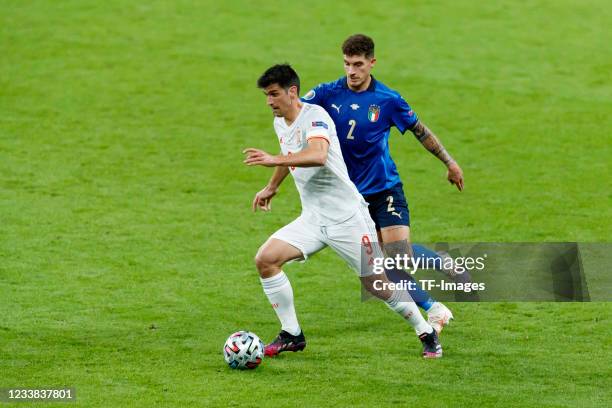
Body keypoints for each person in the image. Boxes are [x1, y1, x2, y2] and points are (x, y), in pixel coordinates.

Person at [244, 63, 443, 358]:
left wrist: (272, 160)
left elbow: (318, 154)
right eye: (266, 96)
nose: (269, 101)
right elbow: (290, 156)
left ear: (292, 91)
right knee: (266, 260)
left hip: (348, 218)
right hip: (313, 218)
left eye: (274, 94)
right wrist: (272, 187)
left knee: (377, 284)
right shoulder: (280, 122)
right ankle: (292, 334)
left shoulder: (316, 117)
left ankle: (426, 332)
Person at [301, 34, 464, 332]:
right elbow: (296, 111)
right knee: (381, 267)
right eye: (347, 64)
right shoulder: (327, 93)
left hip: (385, 189)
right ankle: (434, 309)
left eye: (358, 64)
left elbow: (420, 130)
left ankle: (442, 262)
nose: (352, 71)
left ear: (372, 63)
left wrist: (450, 163)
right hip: (350, 198)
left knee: (399, 254)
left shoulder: (387, 100)